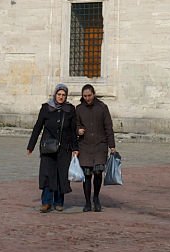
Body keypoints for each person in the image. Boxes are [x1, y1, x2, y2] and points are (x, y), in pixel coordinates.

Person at [27, 83, 80, 213]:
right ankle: (46, 202)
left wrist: (75, 147)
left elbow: (73, 130)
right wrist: (31, 145)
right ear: (55, 94)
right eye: (59, 94)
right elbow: (38, 127)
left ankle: (59, 202)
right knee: (47, 174)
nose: (61, 97)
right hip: (48, 147)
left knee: (61, 175)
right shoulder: (46, 108)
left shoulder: (70, 109)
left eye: (63, 95)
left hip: (64, 148)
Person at [75, 84, 114, 212]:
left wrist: (112, 146)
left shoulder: (102, 107)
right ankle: (87, 202)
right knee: (87, 174)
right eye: (85, 96)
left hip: (99, 145)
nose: (87, 98)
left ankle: (96, 197)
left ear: (94, 94)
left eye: (89, 95)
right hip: (85, 145)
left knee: (98, 172)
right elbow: (75, 125)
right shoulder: (79, 109)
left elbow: (108, 127)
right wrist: (78, 130)